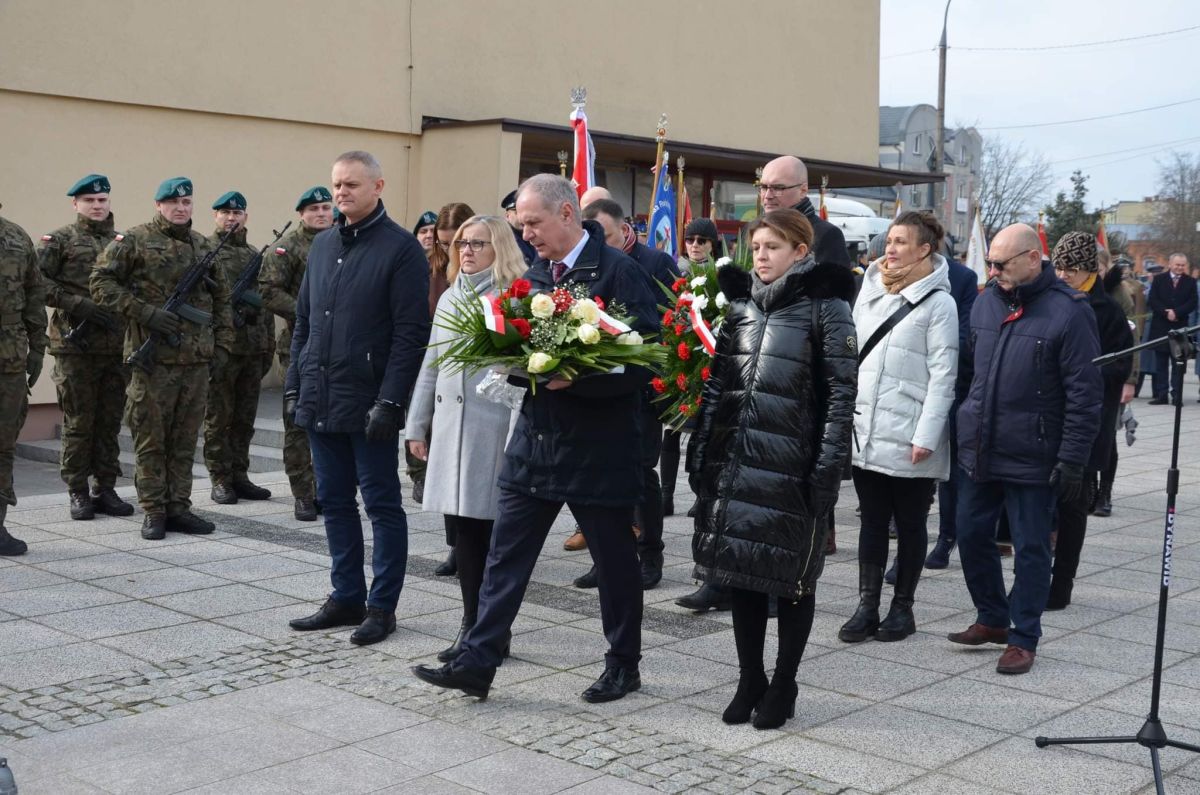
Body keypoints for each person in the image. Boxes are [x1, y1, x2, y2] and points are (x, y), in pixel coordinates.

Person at [413, 174, 658, 703]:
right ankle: (478, 659)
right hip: (536, 439)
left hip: (599, 446)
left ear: (567, 214)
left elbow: (645, 360)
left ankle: (623, 664)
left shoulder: (618, 272)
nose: (526, 234)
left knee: (615, 563)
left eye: (533, 223)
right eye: (522, 225)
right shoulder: (537, 275)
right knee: (505, 556)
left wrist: (579, 378)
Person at [686, 209, 856, 728]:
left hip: (791, 468)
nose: (761, 256)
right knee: (741, 572)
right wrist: (701, 447)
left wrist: (827, 468)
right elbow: (717, 383)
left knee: (790, 581)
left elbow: (840, 397)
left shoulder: (827, 308)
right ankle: (749, 678)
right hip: (737, 463)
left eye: (773, 247)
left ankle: (784, 682)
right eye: (756, 246)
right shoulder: (741, 306)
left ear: (800, 252)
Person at [285, 151, 430, 646]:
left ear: (378, 186)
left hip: (369, 402)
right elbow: (305, 321)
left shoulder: (401, 249)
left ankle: (382, 607)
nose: (340, 193)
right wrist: (295, 383)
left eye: (350, 184)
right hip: (320, 396)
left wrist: (390, 402)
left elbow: (410, 334)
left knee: (382, 505)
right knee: (334, 501)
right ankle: (346, 595)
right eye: (336, 185)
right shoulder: (323, 244)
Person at [948, 223, 1102, 675]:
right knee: (970, 534)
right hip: (981, 447)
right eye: (990, 263)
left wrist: (1073, 458)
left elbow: (1085, 393)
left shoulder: (1069, 311)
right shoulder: (986, 301)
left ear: (1034, 258)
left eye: (1001, 263)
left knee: (1031, 547)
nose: (993, 270)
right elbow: (969, 371)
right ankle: (992, 616)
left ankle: (1023, 636)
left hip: (1035, 453)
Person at [406, 215, 526, 662]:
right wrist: (416, 425)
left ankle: (488, 629)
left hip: (490, 431)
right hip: (451, 429)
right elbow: (431, 365)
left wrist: (515, 436)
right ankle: (472, 623)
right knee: (464, 535)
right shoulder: (451, 296)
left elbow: (521, 374)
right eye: (462, 243)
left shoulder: (513, 297)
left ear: (500, 248)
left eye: (478, 243)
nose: (467, 251)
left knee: (489, 534)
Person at [838, 211, 958, 644]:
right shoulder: (870, 290)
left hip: (911, 434)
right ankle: (866, 606)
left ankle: (902, 608)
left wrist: (927, 436)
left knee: (909, 523)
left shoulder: (940, 302)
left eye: (901, 241)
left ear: (924, 249)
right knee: (872, 521)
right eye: (889, 240)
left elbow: (944, 375)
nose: (890, 249)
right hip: (866, 428)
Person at [91, 177, 233, 540]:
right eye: (173, 202)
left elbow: (222, 300)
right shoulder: (134, 240)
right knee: (151, 440)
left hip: (195, 361)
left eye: (186, 202)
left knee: (184, 441)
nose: (180, 208)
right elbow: (101, 283)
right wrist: (145, 313)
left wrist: (222, 346)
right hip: (152, 361)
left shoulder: (204, 245)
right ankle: (154, 510)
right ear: (158, 205)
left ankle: (179, 507)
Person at [577, 198, 680, 588]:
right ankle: (605, 557)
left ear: (624, 231)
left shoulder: (656, 263)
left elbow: (674, 321)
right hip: (599, 389)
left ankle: (650, 555)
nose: (596, 244)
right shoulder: (589, 264)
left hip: (642, 390)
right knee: (599, 473)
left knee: (639, 473)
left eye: (602, 236)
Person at [36, 174, 134, 521]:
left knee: (109, 422)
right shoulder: (59, 240)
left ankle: (105, 488)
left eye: (101, 200)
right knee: (79, 422)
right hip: (74, 346)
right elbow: (36, 282)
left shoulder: (123, 243)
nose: (96, 206)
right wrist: (77, 304)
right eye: (89, 200)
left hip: (115, 346)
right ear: (75, 204)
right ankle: (77, 490)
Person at [1047, 233, 1132, 609]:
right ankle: (1034, 575)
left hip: (1087, 421)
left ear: (1090, 271)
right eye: (1059, 267)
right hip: (1048, 418)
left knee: (1073, 506)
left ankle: (1062, 583)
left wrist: (1079, 372)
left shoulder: (1107, 311)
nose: (1063, 275)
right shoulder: (1049, 301)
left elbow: (1120, 366)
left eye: (1072, 268)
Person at [259, 186, 334, 521]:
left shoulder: (342, 241)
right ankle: (303, 493)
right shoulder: (287, 248)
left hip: (337, 348)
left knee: (332, 421)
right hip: (299, 347)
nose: (321, 213)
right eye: (314, 209)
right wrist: (308, 313)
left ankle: (327, 489)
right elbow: (268, 290)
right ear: (302, 213)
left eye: (325, 208)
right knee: (298, 421)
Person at [203, 191, 275, 505]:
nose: (231, 218)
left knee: (245, 419)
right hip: (222, 349)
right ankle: (220, 478)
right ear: (215, 216)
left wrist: (268, 346)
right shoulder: (205, 252)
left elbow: (266, 304)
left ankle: (239, 475)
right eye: (225, 213)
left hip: (252, 348)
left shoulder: (254, 255)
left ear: (245, 217)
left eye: (237, 213)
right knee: (218, 418)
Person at [419, 201, 475, 576]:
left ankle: (475, 544)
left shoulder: (479, 267)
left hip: (472, 383)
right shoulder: (432, 267)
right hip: (439, 371)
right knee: (446, 465)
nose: (450, 249)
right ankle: (455, 545)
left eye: (456, 240)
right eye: (443, 242)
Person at [924, 247, 979, 568]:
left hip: (950, 383)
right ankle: (907, 547)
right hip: (903, 387)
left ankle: (946, 537)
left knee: (949, 467)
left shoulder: (961, 278)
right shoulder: (885, 276)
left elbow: (963, 337)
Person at [0, 210, 47, 556]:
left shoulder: (16, 237)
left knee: (3, 445)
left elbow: (34, 293)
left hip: (9, 358)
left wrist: (38, 347)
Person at [1094, 252, 1139, 517]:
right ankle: (1089, 489)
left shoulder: (1119, 294)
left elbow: (1132, 339)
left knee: (1108, 436)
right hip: (1090, 375)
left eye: (1099, 267)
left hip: (1113, 375)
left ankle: (1105, 492)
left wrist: (1130, 380)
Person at [759, 156, 850, 267]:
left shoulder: (825, 234)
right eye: (763, 187)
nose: (767, 196)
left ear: (803, 190)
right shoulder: (754, 231)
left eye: (778, 188)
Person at [1146, 253, 1196, 404]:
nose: (1180, 267)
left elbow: (1192, 302)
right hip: (1161, 327)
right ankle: (1161, 395)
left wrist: (1177, 312)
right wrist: (1166, 312)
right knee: (1161, 364)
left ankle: (1177, 395)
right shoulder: (1159, 279)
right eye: (1177, 264)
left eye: (1182, 265)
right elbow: (1153, 299)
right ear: (1170, 264)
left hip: (1180, 327)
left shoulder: (1190, 282)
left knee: (1179, 364)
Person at [501, 190, 536, 264]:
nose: (522, 217)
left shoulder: (536, 234)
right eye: (517, 212)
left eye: (526, 212)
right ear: (507, 216)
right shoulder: (502, 239)